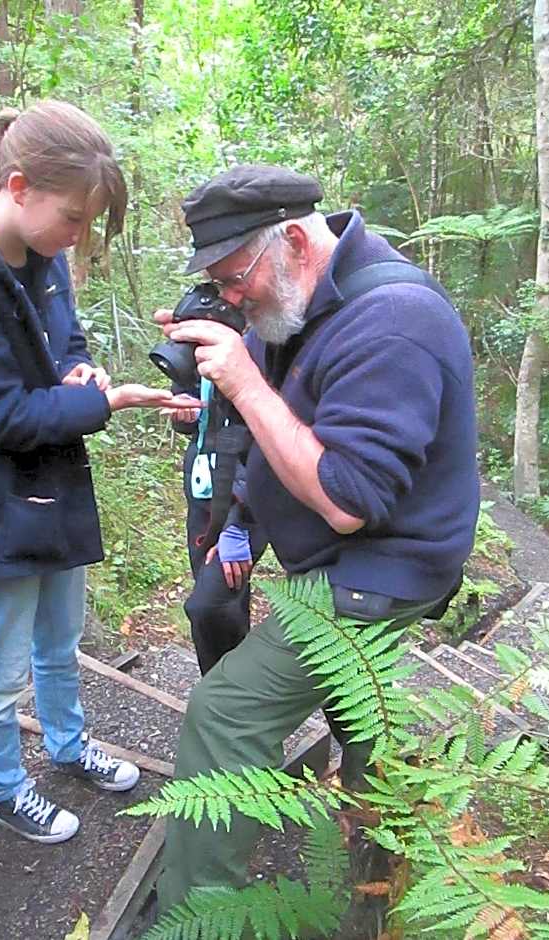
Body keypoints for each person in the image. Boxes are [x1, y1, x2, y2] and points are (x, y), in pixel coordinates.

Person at [154, 163, 480, 910]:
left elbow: (346, 501)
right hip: (335, 557)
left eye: (235, 279)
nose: (232, 299)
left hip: (378, 567)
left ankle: (200, 914)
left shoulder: (394, 320)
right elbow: (287, 424)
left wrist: (241, 382)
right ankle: (383, 833)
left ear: (293, 241)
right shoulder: (302, 303)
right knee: (355, 701)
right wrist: (238, 522)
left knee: (225, 713)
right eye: (219, 285)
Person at [0, 100, 200, 845]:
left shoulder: (41, 256)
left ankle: (67, 746)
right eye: (74, 218)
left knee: (60, 640)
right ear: (19, 186)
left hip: (50, 486)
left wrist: (78, 369)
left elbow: (65, 338)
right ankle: (4, 787)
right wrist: (106, 403)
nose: (78, 237)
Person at [171, 381, 268, 675]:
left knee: (208, 606)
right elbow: (198, 426)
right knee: (228, 605)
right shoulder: (195, 350)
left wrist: (239, 521)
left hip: (244, 500)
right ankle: (226, 700)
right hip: (204, 494)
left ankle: (224, 700)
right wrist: (183, 412)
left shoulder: (259, 344)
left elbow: (263, 435)